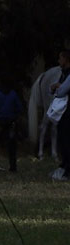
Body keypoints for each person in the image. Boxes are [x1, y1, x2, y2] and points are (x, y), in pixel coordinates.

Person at [0, 76, 24, 172]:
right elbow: (19, 108)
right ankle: (13, 166)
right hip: (11, 122)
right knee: (12, 146)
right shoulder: (13, 93)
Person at [50, 50, 70, 180]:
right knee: (62, 139)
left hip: (68, 112)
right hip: (64, 113)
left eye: (60, 58)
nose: (58, 61)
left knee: (67, 140)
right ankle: (64, 165)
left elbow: (62, 91)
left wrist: (58, 86)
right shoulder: (63, 73)